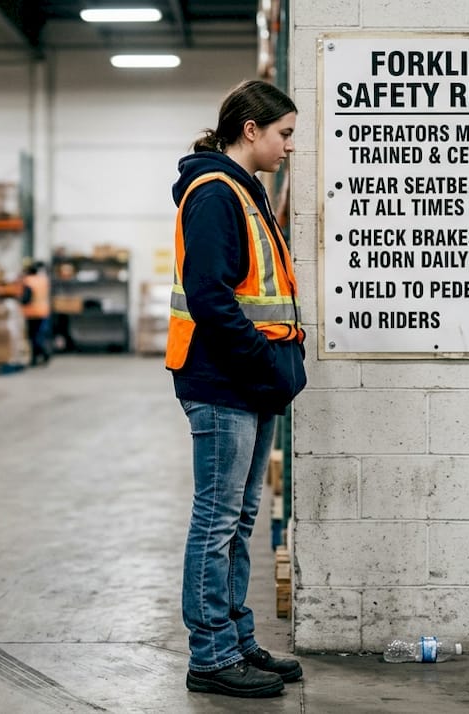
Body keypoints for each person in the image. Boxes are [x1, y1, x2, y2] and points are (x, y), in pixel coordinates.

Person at [166, 79, 307, 699]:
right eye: (285, 134)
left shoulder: (243, 193)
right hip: (225, 381)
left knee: (240, 519)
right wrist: (261, 361)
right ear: (250, 130)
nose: (289, 147)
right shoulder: (215, 194)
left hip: (249, 382)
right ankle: (210, 656)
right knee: (217, 520)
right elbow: (210, 297)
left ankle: (237, 638)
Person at [20, 261, 51, 366]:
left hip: (32, 312)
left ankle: (38, 356)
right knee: (39, 335)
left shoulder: (28, 281)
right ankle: (43, 354)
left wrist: (19, 301)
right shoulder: (43, 280)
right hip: (43, 311)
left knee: (33, 336)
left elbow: (26, 299)